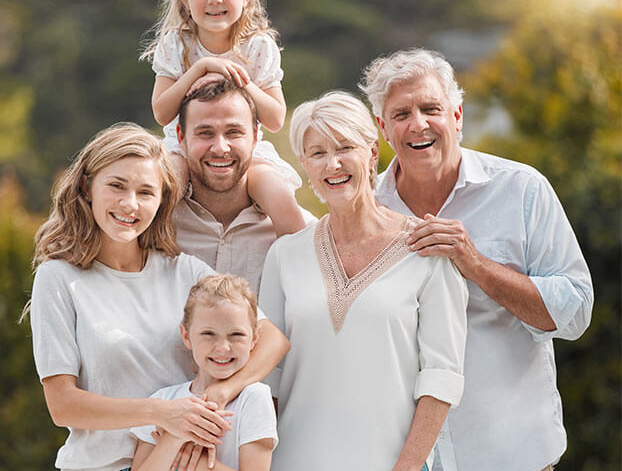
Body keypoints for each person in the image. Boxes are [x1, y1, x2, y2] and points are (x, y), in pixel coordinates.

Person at [359, 47, 594, 471]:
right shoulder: (364, 210)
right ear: (382, 128)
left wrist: (477, 265)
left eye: (431, 108)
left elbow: (576, 312)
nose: (418, 124)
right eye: (401, 114)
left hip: (512, 458)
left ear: (457, 116)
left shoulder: (522, 190)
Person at [26, 123, 289, 471]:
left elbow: (272, 339)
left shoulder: (185, 272)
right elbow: (62, 405)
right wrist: (165, 413)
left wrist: (221, 393)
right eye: (117, 186)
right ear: (88, 187)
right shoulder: (58, 278)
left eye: (146, 192)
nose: (130, 204)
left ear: (162, 200)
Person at [259, 91, 468, 471]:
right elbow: (267, 379)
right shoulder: (284, 256)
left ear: (372, 153)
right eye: (318, 153)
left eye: (345, 147)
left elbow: (442, 379)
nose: (333, 163)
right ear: (305, 165)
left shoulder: (426, 249)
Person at [141, 0, 305, 237]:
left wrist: (241, 82)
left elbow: (275, 118)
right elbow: (162, 113)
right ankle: (148, 266)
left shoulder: (257, 46)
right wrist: (199, 70)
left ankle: (298, 272)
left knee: (280, 198)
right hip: (183, 147)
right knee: (160, 196)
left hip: (243, 148)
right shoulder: (176, 44)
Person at [173, 79, 313, 296]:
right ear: (181, 138)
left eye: (233, 132)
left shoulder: (298, 229)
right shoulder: (154, 226)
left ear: (255, 137)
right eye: (205, 133)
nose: (220, 148)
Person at [131, 274, 277, 471]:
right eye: (208, 334)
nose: (223, 347)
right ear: (186, 336)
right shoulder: (164, 401)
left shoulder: (254, 397)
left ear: (255, 337)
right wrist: (172, 441)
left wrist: (195, 461)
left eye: (236, 335)